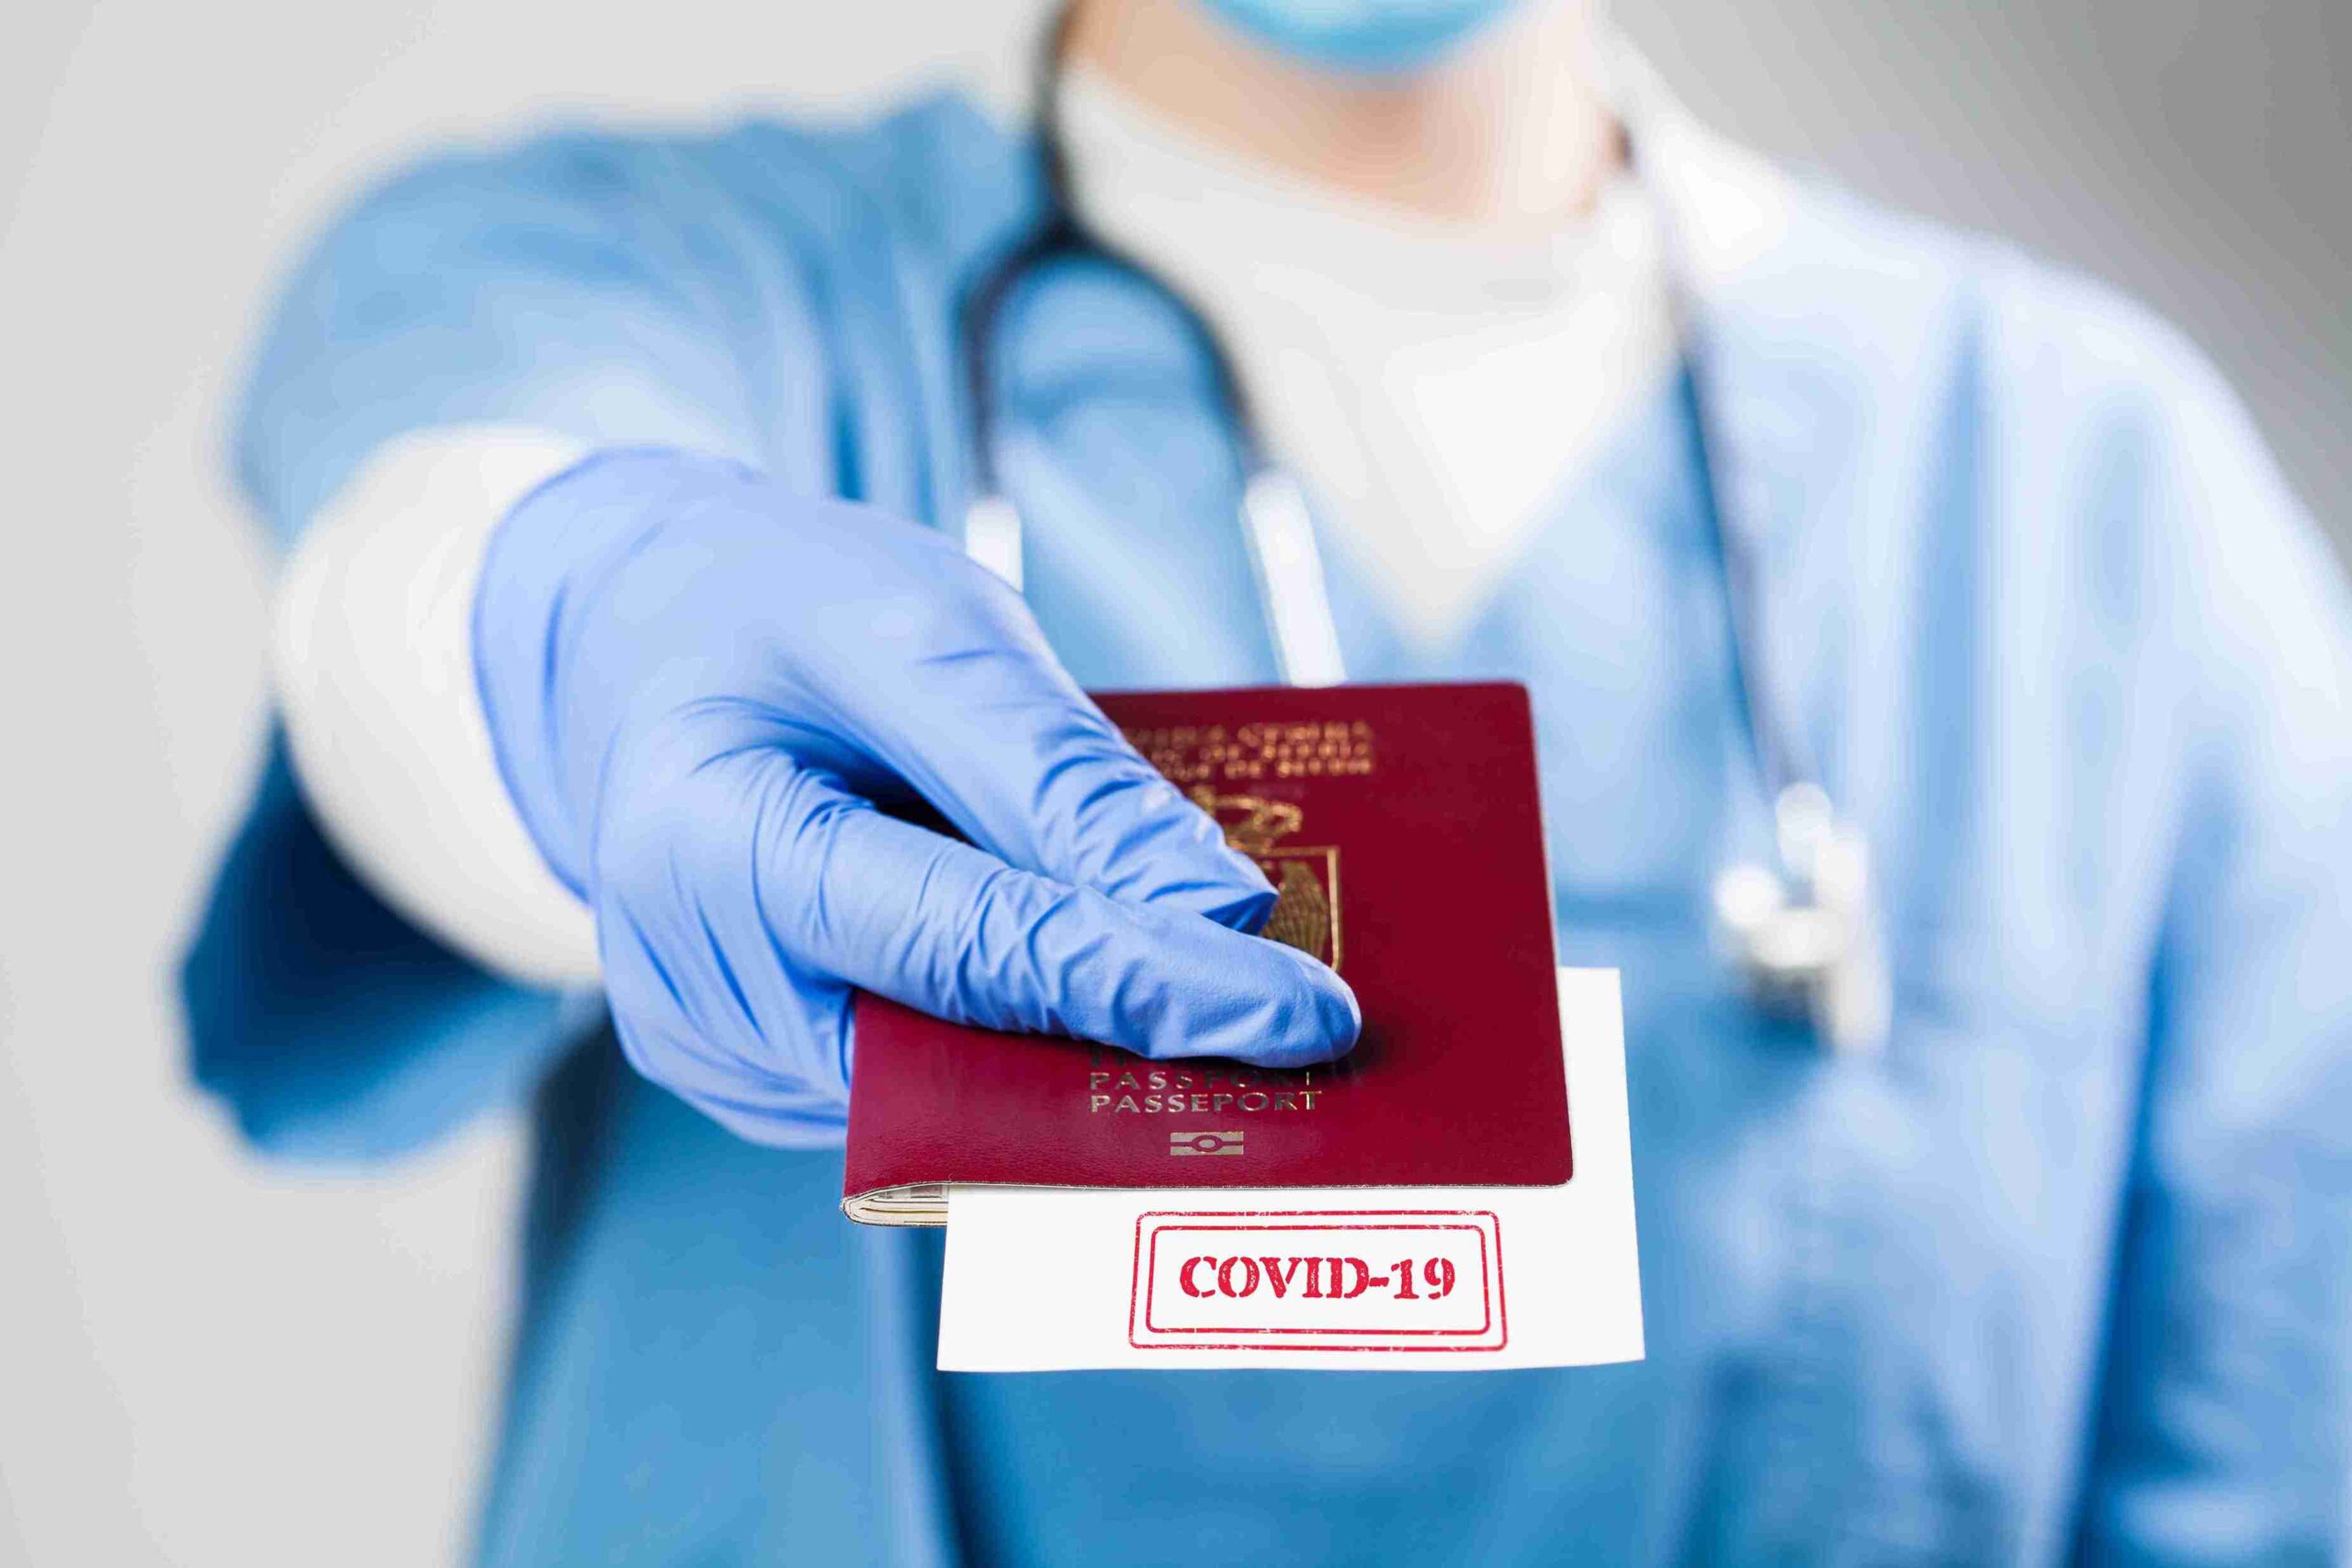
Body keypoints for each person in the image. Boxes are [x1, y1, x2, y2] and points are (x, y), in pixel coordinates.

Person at [182, 0, 2352, 1560]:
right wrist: (568, 635)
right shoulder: (659, 282)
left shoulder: (2093, 507)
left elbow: (2258, 1465)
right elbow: (420, 557)